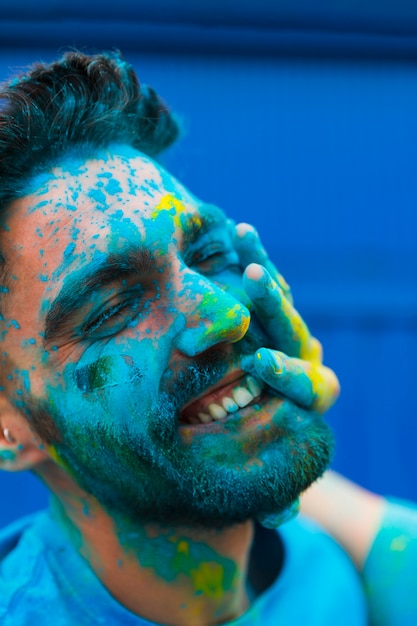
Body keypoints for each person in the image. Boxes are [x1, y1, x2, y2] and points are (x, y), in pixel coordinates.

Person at [0, 50, 414, 626]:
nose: (226, 315)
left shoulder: (336, 574)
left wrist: (264, 423)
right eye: (115, 307)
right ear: (8, 428)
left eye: (208, 253)